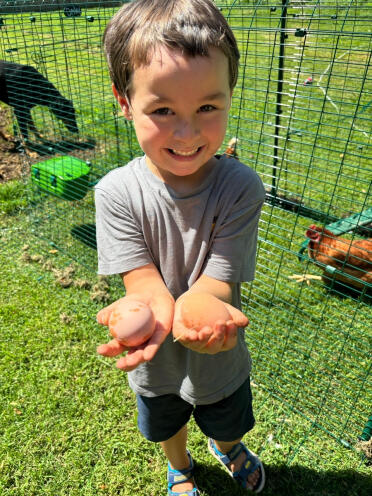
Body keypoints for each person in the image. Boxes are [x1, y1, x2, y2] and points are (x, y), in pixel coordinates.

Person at [95, 1, 266, 494]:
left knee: (226, 415)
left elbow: (220, 279)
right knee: (166, 418)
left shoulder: (240, 188)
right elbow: (143, 282)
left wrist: (199, 304)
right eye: (163, 109)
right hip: (156, 362)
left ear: (230, 96)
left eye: (207, 108)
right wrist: (146, 308)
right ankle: (180, 464)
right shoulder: (115, 193)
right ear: (124, 101)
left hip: (220, 353)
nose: (187, 133)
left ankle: (227, 446)